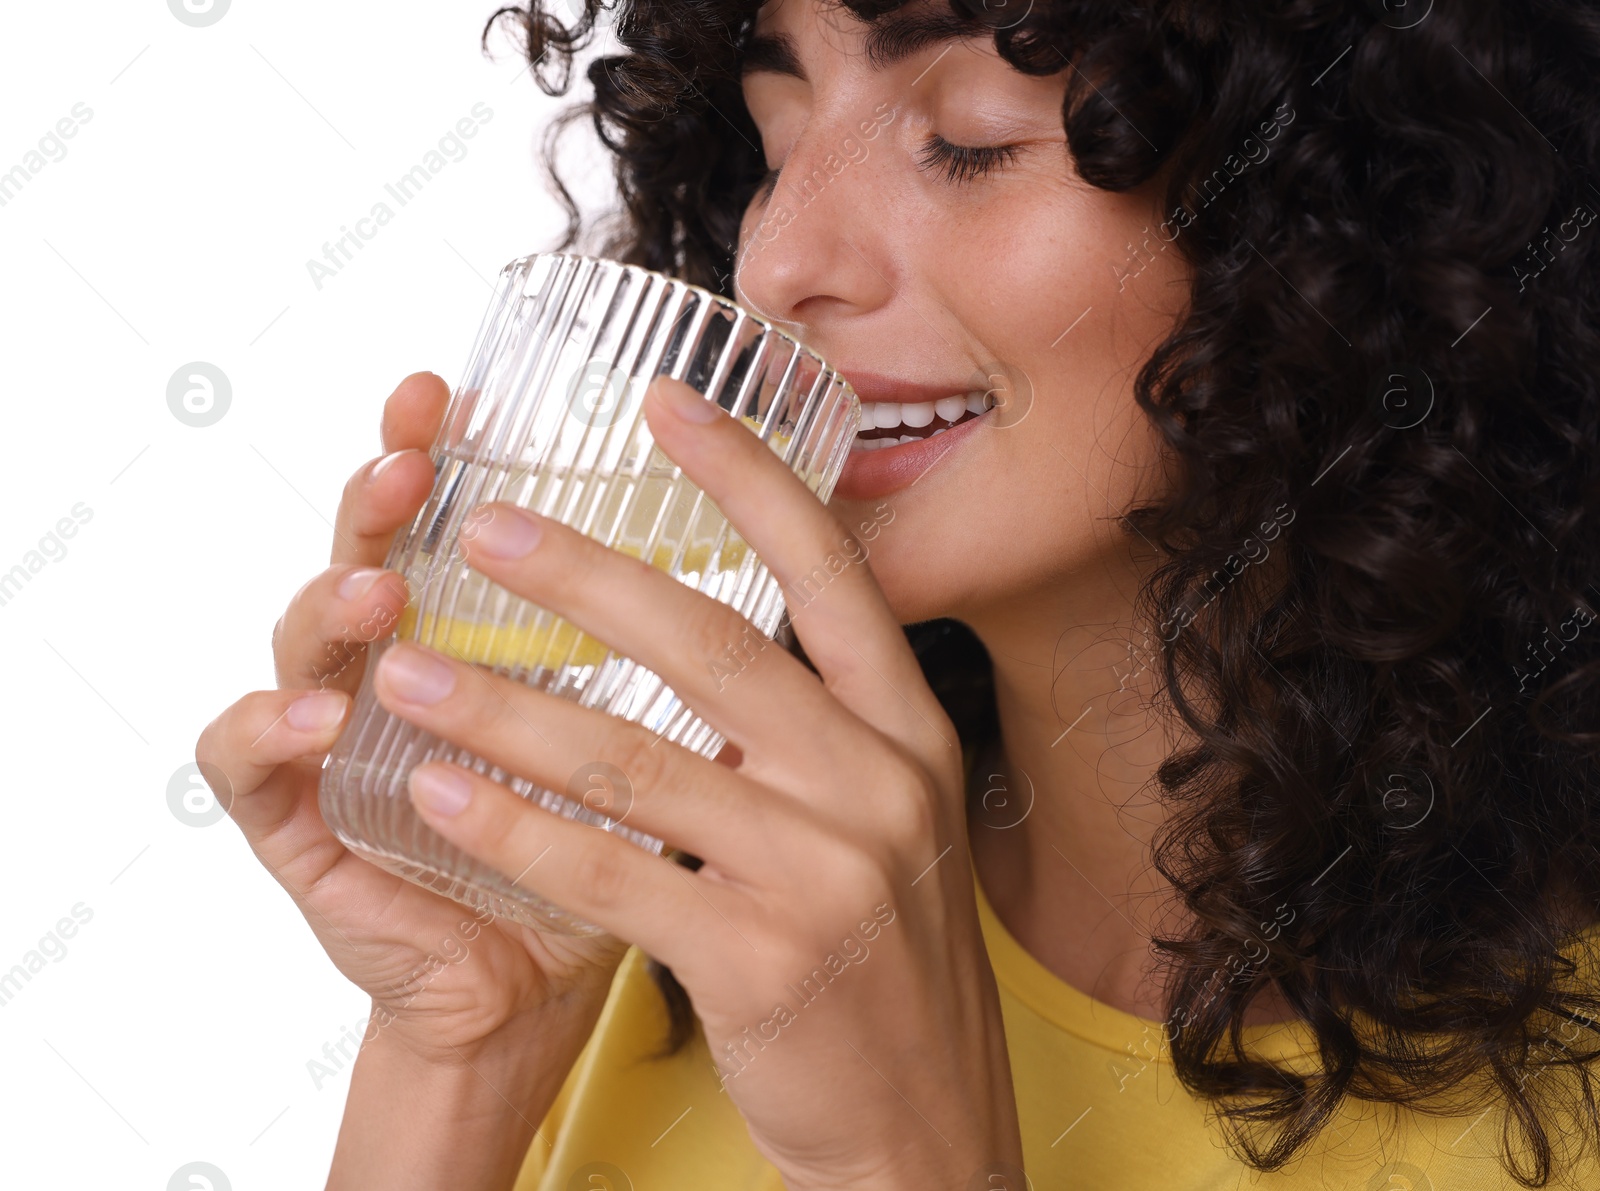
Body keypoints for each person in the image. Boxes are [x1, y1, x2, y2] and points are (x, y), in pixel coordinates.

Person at [196, 0, 1600, 1186]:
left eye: (970, 143)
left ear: (1345, 215)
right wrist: (464, 1048)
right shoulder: (683, 901)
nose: (781, 260)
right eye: (774, 142)